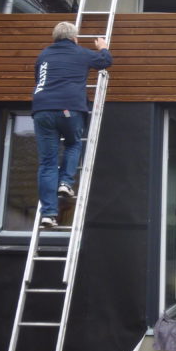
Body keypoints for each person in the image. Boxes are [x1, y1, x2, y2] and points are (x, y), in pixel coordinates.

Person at [31, 22, 112, 229]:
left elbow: (39, 78)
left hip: (42, 110)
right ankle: (66, 182)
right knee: (73, 143)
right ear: (74, 38)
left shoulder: (44, 56)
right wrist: (102, 46)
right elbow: (105, 62)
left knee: (47, 163)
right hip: (69, 108)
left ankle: (48, 214)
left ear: (54, 37)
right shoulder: (80, 53)